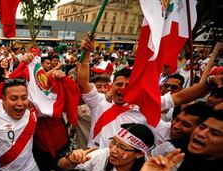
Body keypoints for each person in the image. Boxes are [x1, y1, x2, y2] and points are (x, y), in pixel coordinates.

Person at [78, 34, 217, 149]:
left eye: (128, 85)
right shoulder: (99, 102)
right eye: (119, 84)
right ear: (111, 85)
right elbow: (83, 82)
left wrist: (209, 82)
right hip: (93, 163)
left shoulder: (145, 105)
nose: (123, 88)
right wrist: (87, 54)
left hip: (123, 166)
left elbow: (179, 98)